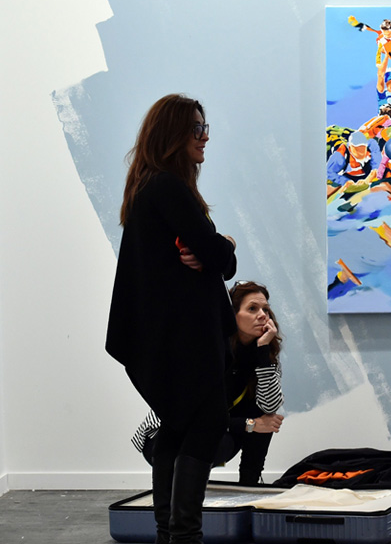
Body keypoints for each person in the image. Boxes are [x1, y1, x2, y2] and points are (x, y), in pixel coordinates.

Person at [106, 94, 238, 544]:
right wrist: (225, 244)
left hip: (168, 336)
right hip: (185, 337)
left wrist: (213, 250)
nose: (205, 137)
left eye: (205, 127)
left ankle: (171, 534)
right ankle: (183, 535)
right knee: (206, 424)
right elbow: (218, 256)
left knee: (178, 426)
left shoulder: (149, 187)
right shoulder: (167, 187)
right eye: (196, 129)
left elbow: (208, 256)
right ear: (174, 134)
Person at [132, 281, 285, 485]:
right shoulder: (209, 349)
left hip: (218, 432)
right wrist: (250, 425)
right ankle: (182, 493)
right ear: (232, 315)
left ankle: (249, 486)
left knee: (266, 419)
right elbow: (196, 416)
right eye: (252, 309)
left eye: (265, 309)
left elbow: (270, 406)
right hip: (168, 436)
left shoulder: (264, 353)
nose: (262, 315)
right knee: (228, 437)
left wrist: (263, 352)